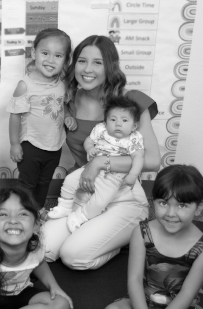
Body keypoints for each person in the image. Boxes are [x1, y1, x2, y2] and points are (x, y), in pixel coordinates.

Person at [42, 34, 160, 270]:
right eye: (81, 61)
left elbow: (152, 160)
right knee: (42, 249)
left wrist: (99, 163)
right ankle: (97, 232)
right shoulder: (67, 99)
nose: (87, 69)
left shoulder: (131, 103)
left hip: (122, 195)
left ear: (110, 67)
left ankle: (127, 237)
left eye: (97, 62)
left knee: (72, 256)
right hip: (83, 191)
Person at [85, 165, 203, 309]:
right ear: (152, 201)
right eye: (164, 203)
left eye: (182, 206)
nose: (171, 213)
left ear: (198, 208)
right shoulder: (142, 232)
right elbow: (134, 279)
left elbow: (188, 293)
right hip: (142, 305)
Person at [48, 94, 144, 224]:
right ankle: (65, 206)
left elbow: (138, 157)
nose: (118, 124)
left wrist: (133, 175)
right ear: (106, 121)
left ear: (134, 126)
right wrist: (89, 148)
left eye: (125, 120)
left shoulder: (133, 138)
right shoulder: (101, 129)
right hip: (90, 168)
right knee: (70, 180)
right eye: (113, 119)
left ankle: (81, 217)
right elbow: (89, 140)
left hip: (113, 176)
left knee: (100, 201)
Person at [7, 28, 72, 207]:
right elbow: (15, 115)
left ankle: (39, 210)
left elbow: (61, 105)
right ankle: (22, 213)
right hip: (31, 145)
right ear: (34, 53)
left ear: (66, 60)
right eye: (45, 53)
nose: (50, 60)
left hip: (54, 145)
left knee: (44, 182)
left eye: (58, 56)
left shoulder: (62, 84)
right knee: (27, 184)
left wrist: (67, 116)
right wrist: (14, 143)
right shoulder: (25, 86)